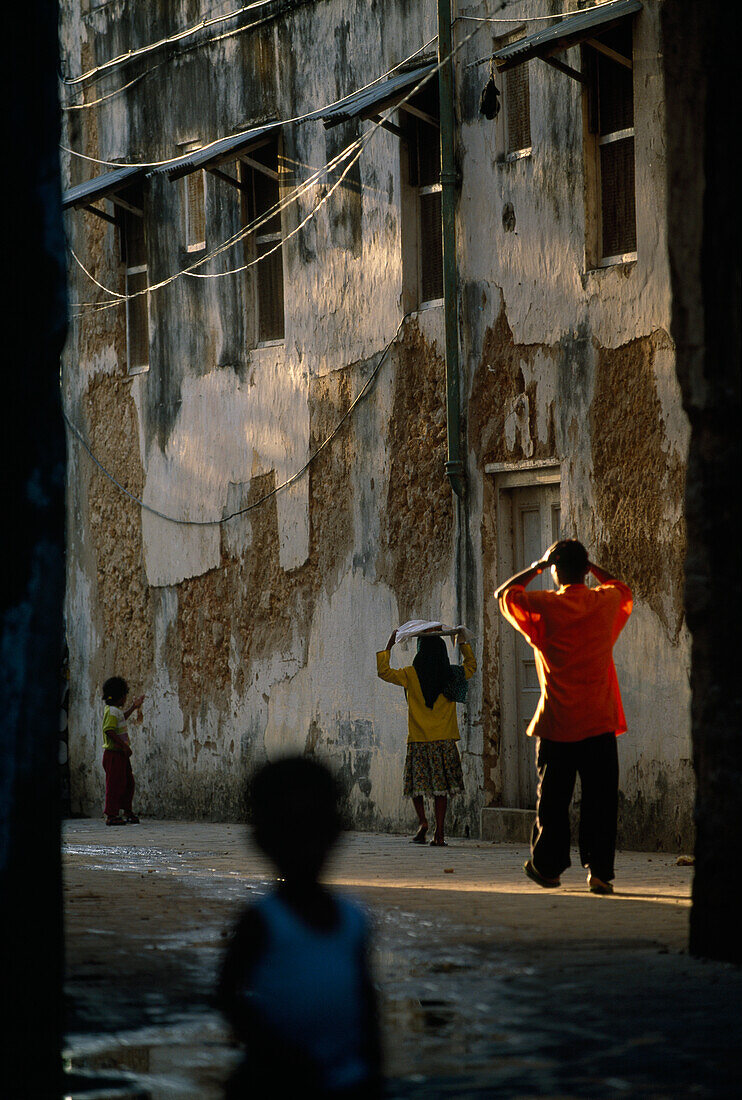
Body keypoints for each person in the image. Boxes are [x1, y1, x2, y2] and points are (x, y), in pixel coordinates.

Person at [217, 757, 381, 1100]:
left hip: (346, 1079)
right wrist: (275, 1053)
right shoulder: (261, 923)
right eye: (293, 833)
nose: (304, 848)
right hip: (279, 1081)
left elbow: (367, 1008)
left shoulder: (354, 920)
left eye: (311, 831)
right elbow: (227, 996)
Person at [496, 539, 633, 895]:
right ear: (586, 572)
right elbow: (622, 588)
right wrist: (593, 568)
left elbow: (505, 594)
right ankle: (600, 873)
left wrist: (538, 565)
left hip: (558, 724)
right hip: (599, 720)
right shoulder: (603, 603)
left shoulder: (544, 607)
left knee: (553, 801)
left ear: (556, 571)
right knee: (600, 802)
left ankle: (549, 868)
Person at [376, 628, 476, 846]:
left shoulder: (410, 674)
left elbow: (384, 672)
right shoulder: (451, 674)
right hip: (445, 740)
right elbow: (471, 667)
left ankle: (423, 822)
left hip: (419, 740)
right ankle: (439, 833)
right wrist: (462, 642)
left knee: (416, 786)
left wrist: (389, 645)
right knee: (441, 790)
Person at [101, 676, 144, 826]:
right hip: (114, 754)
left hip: (120, 755)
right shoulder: (112, 711)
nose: (125, 698)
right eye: (125, 695)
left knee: (127, 783)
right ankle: (111, 814)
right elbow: (109, 730)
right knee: (114, 785)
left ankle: (127, 811)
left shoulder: (115, 711)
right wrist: (123, 746)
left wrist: (133, 707)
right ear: (119, 696)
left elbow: (122, 718)